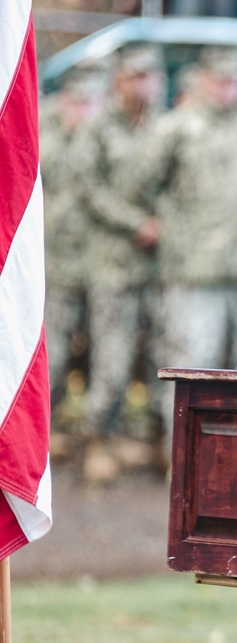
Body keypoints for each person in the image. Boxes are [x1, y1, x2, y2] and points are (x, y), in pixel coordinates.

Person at [137, 46, 237, 440]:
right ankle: (182, 455)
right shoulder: (176, 128)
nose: (229, 88)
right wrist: (156, 223)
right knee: (192, 366)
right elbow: (141, 183)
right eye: (221, 80)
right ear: (202, 80)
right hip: (195, 270)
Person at [76, 44, 164, 483]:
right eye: (135, 76)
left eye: (150, 76)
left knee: (160, 355)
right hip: (112, 264)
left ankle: (154, 439)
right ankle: (98, 440)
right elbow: (89, 190)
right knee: (110, 360)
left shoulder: (167, 127)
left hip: (161, 267)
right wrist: (136, 223)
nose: (144, 85)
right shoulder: (99, 128)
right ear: (119, 81)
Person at [39, 65, 105, 446]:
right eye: (77, 101)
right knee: (55, 352)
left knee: (100, 354)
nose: (84, 110)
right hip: (56, 266)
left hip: (101, 266)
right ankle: (46, 431)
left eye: (91, 102)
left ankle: (92, 437)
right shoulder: (47, 133)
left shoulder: (102, 138)